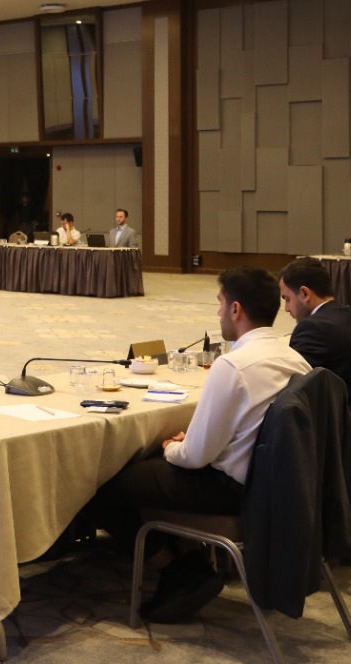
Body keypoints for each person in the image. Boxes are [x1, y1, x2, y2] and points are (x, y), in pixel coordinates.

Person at [90, 267, 309, 623]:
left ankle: (179, 571)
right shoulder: (295, 359)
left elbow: (194, 458)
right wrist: (190, 442)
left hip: (232, 490)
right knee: (152, 470)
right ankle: (190, 557)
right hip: (273, 486)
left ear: (236, 309)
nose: (218, 313)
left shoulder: (233, 365)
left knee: (103, 486)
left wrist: (171, 447)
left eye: (220, 304)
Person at [277, 258, 351, 405]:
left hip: (333, 416)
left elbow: (291, 391)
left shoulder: (312, 329)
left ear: (305, 293)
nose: (286, 308)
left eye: (287, 299)